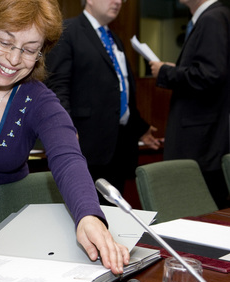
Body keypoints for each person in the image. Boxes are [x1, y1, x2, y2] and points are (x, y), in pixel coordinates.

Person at [0, 0, 130, 275]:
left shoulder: (37, 99)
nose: (14, 59)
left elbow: (68, 158)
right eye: (5, 42)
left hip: (6, 232)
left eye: (30, 50)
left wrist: (89, 216)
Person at [45, 0, 162, 204]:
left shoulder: (114, 39)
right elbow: (58, 86)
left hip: (119, 148)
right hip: (86, 146)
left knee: (115, 216)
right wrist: (65, 129)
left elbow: (118, 91)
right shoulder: (68, 32)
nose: (118, 2)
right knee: (88, 215)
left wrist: (139, 127)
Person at [149, 0, 230, 209]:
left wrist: (166, 72)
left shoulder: (212, 18)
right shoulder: (213, 17)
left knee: (204, 214)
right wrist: (177, 68)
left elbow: (210, 75)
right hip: (207, 137)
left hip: (203, 141)